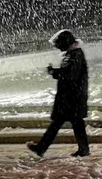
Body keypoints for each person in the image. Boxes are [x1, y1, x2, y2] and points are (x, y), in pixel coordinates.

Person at [27, 29, 90, 158]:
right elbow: (68, 73)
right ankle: (82, 149)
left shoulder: (74, 55)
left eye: (59, 45)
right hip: (72, 96)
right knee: (73, 123)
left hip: (71, 97)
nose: (58, 48)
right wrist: (56, 72)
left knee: (62, 123)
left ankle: (41, 148)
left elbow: (69, 75)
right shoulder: (74, 54)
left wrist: (54, 72)